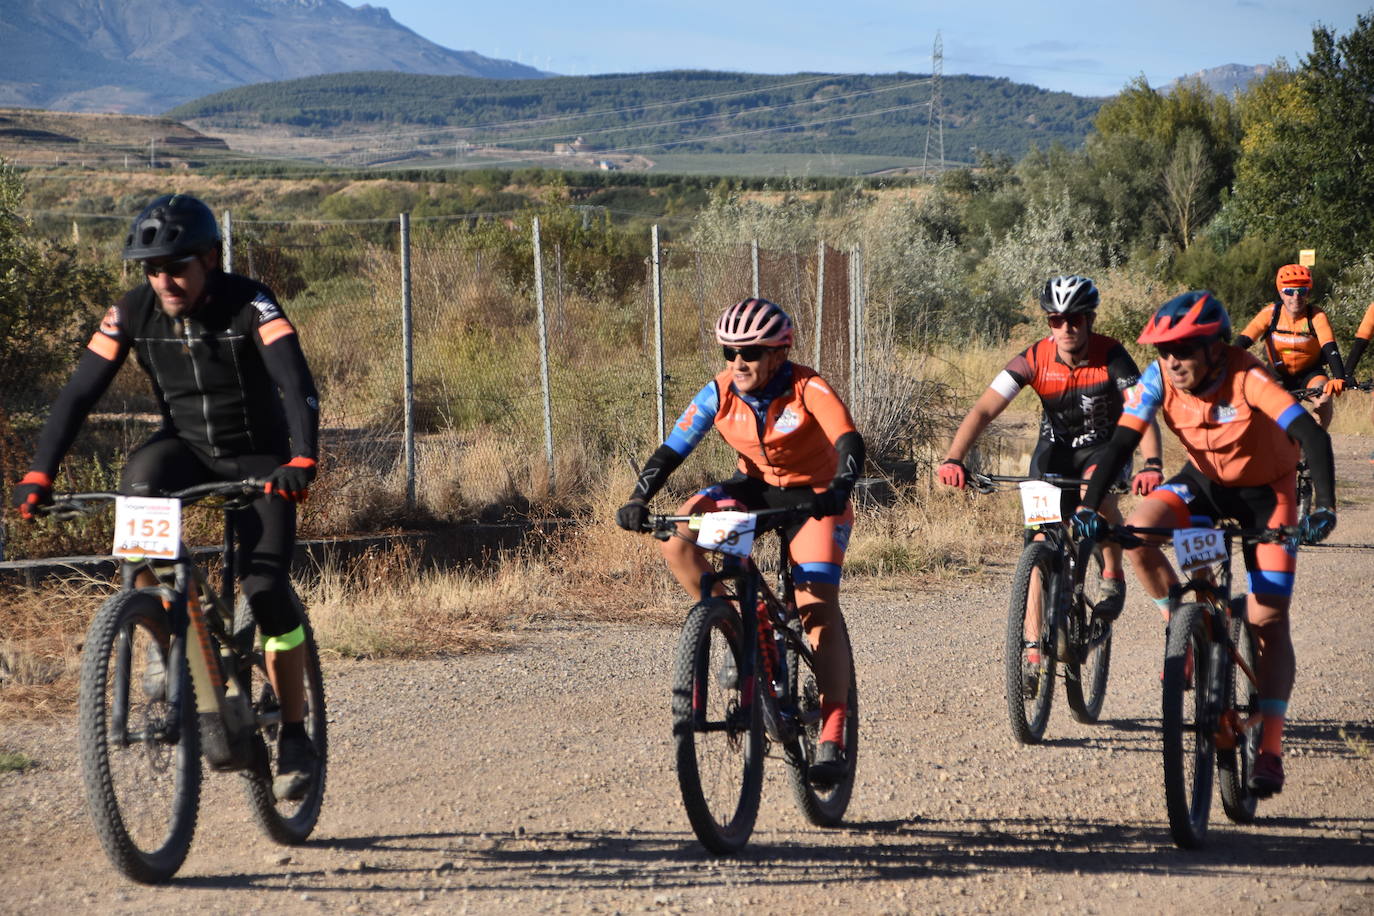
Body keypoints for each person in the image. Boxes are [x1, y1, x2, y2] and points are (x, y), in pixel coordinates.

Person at [8, 193, 322, 800]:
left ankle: (293, 732)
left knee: (265, 589)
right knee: (139, 485)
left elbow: (295, 380)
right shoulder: (132, 311)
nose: (163, 280)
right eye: (152, 269)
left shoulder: (251, 302)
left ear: (209, 259)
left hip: (259, 458)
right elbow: (77, 395)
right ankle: (161, 633)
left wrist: (302, 457)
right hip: (185, 448)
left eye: (175, 267)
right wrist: (40, 473)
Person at [1072, 290, 1337, 799]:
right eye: (1164, 350)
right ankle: (1184, 624)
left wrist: (1323, 506)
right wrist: (1088, 507)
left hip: (1268, 495)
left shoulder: (1248, 376)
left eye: (1184, 350)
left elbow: (1312, 435)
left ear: (1216, 347)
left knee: (1268, 617)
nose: (1172, 361)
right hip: (1204, 487)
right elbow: (1122, 443)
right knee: (1139, 534)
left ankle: (1270, 746)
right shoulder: (1157, 377)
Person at [615, 297, 864, 786]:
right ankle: (733, 623)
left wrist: (839, 488)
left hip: (816, 498)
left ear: (778, 353)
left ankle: (834, 727)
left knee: (816, 607)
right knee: (678, 536)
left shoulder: (807, 387)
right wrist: (639, 498)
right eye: (729, 352)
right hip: (753, 490)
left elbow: (849, 441)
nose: (737, 362)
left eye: (749, 352)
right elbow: (672, 449)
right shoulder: (720, 391)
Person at [938, 274, 1164, 629]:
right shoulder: (1034, 358)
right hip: (1054, 450)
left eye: (1074, 319)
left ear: (1089, 319)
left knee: (1095, 497)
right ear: (1049, 323)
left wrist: (1152, 463)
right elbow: (983, 410)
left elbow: (1143, 412)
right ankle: (1031, 650)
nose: (1066, 328)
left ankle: (1112, 573)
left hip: (1105, 448)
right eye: (1057, 320)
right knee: (1039, 538)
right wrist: (954, 459)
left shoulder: (1112, 355)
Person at [1234, 264, 1347, 429]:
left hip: (1310, 373)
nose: (1296, 297)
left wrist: (1339, 376)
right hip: (1277, 374)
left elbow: (1330, 347)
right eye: (1289, 291)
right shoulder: (1271, 314)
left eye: (1302, 291)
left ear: (1308, 293)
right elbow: (1243, 341)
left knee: (1324, 397)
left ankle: (1316, 438)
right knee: (1264, 410)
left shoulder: (1316, 316)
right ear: (1280, 293)